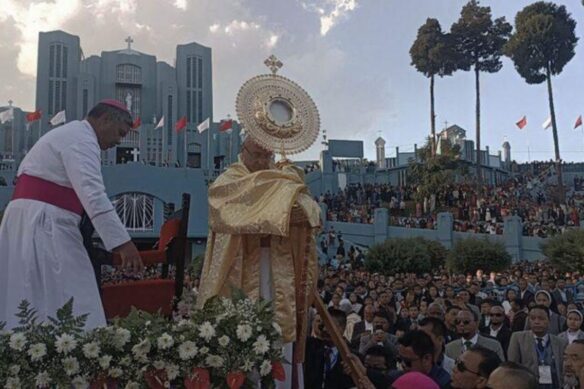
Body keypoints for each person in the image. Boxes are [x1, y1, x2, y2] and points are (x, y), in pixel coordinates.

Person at [0, 100, 142, 330]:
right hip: (45, 222)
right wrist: (123, 243)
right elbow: (93, 193)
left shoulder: (73, 134)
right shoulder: (80, 139)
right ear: (105, 119)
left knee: (34, 294)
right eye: (119, 133)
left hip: (36, 219)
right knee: (78, 293)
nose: (118, 142)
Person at [197, 136, 321, 389]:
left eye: (267, 157)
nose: (262, 161)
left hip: (279, 270)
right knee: (237, 338)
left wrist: (285, 185)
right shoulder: (228, 181)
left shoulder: (284, 178)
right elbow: (229, 214)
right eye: (256, 155)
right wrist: (279, 193)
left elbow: (306, 212)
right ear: (242, 151)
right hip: (239, 272)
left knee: (279, 333)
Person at [508, 305, 568, 388]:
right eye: (532, 318)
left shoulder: (560, 342)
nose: (536, 322)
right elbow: (512, 367)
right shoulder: (518, 338)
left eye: (541, 318)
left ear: (549, 320)